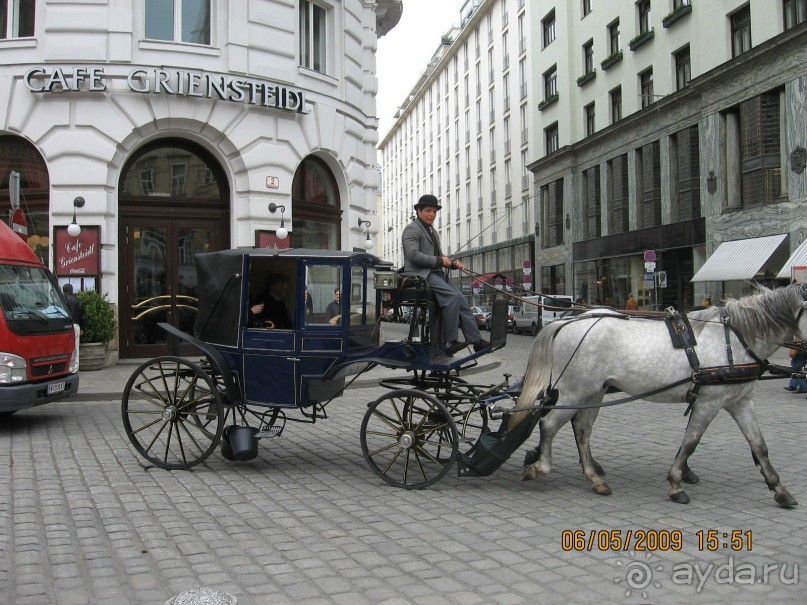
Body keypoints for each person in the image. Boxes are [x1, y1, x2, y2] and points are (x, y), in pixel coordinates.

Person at [402, 194, 489, 356]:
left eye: (434, 211)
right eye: (428, 210)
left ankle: (476, 341)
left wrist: (453, 263)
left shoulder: (432, 232)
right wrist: (440, 261)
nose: (432, 214)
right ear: (418, 211)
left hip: (435, 273)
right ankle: (449, 341)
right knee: (451, 297)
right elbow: (413, 255)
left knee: (462, 299)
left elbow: (440, 256)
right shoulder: (411, 229)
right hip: (420, 274)